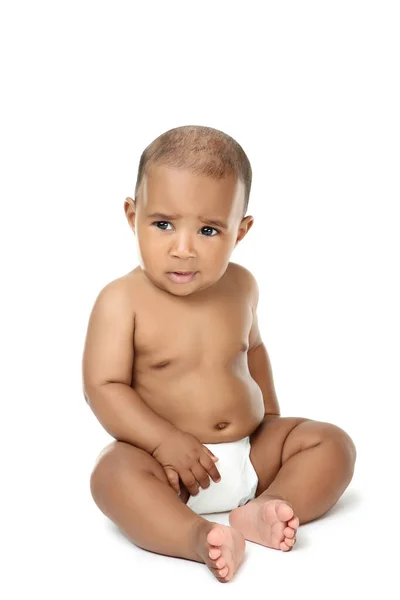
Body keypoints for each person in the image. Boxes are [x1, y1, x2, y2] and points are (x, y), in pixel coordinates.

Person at [82, 125, 357, 583]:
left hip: (249, 453)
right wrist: (161, 441)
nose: (184, 249)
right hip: (168, 470)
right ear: (133, 216)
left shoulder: (242, 285)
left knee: (333, 444)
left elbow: (254, 351)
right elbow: (103, 386)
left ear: (241, 230)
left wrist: (270, 420)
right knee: (111, 474)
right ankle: (194, 535)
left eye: (209, 229)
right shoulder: (121, 300)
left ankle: (269, 505)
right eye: (163, 224)